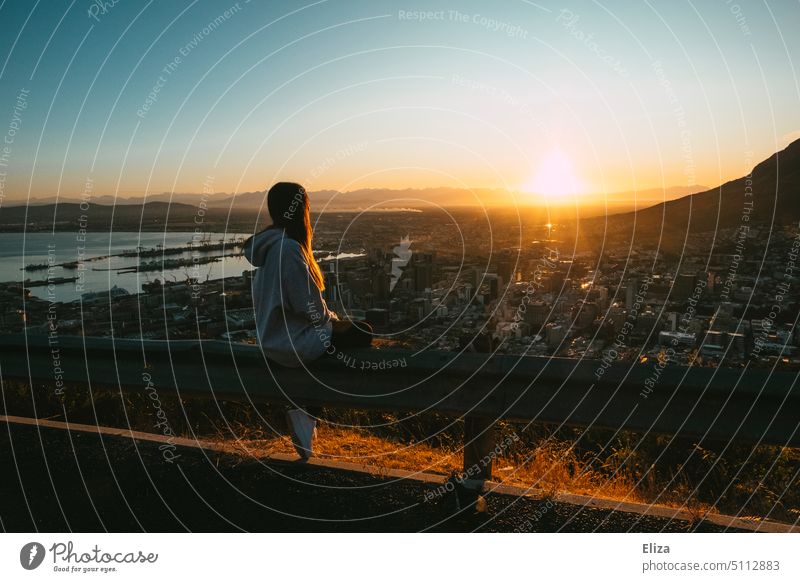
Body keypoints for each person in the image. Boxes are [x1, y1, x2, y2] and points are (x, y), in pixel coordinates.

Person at [243, 182, 373, 368]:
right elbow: (309, 306)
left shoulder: (272, 248)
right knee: (363, 331)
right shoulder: (288, 249)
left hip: (272, 341)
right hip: (293, 345)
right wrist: (332, 322)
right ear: (301, 210)